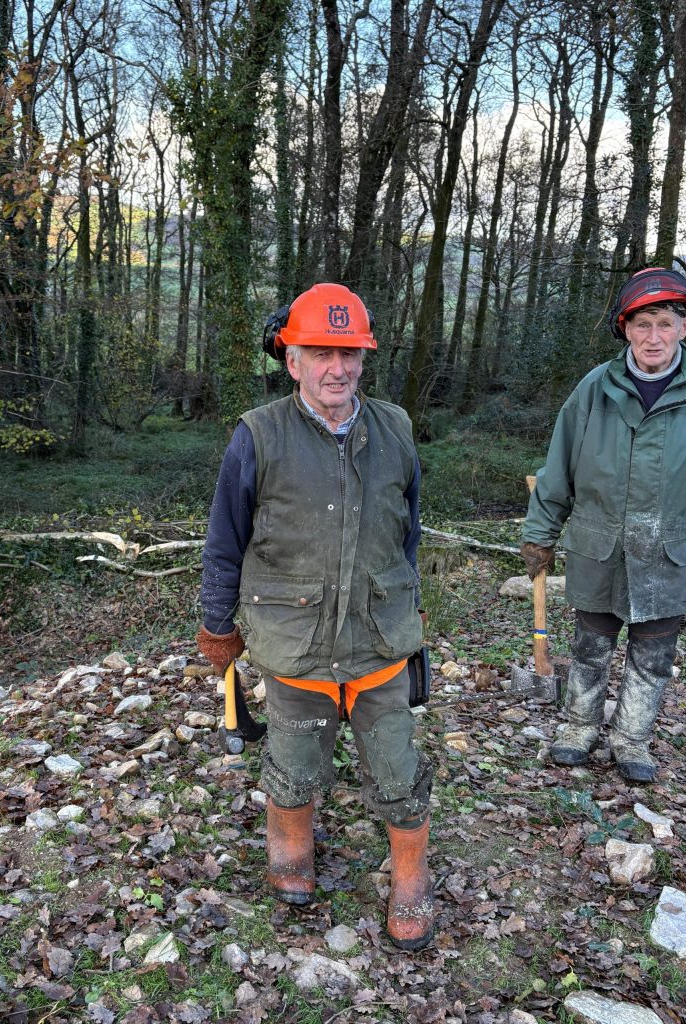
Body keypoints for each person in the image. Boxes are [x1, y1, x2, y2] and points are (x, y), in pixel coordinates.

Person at [196, 282, 434, 949]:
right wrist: (218, 623)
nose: (337, 368)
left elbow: (408, 531)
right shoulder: (257, 435)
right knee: (294, 759)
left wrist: (405, 601)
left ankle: (411, 877)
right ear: (291, 359)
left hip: (379, 640)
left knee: (397, 770)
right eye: (320, 353)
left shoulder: (396, 428)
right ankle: (289, 852)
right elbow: (224, 540)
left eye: (349, 353)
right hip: (293, 639)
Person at [521, 267, 686, 784]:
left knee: (654, 652)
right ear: (625, 328)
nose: (654, 337)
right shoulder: (594, 388)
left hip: (672, 549)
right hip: (600, 543)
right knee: (590, 646)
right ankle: (578, 728)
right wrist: (540, 533)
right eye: (643, 324)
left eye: (666, 323)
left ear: (685, 326)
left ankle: (631, 739)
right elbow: (559, 467)